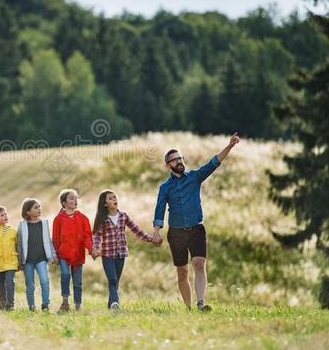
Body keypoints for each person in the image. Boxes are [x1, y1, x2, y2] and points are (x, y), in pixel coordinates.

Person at [152, 133, 241, 312]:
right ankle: (189, 307)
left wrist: (229, 146)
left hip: (196, 229)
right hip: (176, 233)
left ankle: (201, 303)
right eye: (174, 159)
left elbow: (213, 163)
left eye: (180, 158)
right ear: (168, 165)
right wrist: (156, 232)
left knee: (199, 264)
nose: (179, 161)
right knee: (182, 272)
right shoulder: (164, 187)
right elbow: (159, 209)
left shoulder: (194, 177)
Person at [92, 190, 157, 309]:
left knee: (115, 281)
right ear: (105, 204)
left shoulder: (123, 216)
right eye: (110, 198)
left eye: (115, 197)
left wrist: (151, 239)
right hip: (107, 254)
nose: (114, 200)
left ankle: (111, 304)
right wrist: (95, 248)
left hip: (121, 254)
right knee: (112, 279)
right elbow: (96, 236)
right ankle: (115, 302)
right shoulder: (103, 219)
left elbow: (136, 230)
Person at [52, 188, 93, 312]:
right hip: (63, 254)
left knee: (77, 282)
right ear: (64, 203)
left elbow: (87, 236)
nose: (75, 200)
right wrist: (55, 254)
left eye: (76, 198)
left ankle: (78, 305)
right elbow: (56, 238)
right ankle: (65, 302)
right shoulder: (58, 219)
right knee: (65, 274)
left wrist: (91, 249)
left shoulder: (83, 218)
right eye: (71, 198)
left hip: (78, 255)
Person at [17, 198, 57, 312]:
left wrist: (53, 254)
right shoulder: (22, 225)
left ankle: (45, 304)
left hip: (41, 259)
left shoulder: (44, 223)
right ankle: (31, 306)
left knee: (45, 280)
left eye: (39, 207)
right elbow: (19, 244)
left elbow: (49, 240)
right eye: (36, 207)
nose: (39, 209)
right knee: (30, 285)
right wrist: (19, 261)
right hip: (28, 260)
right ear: (28, 212)